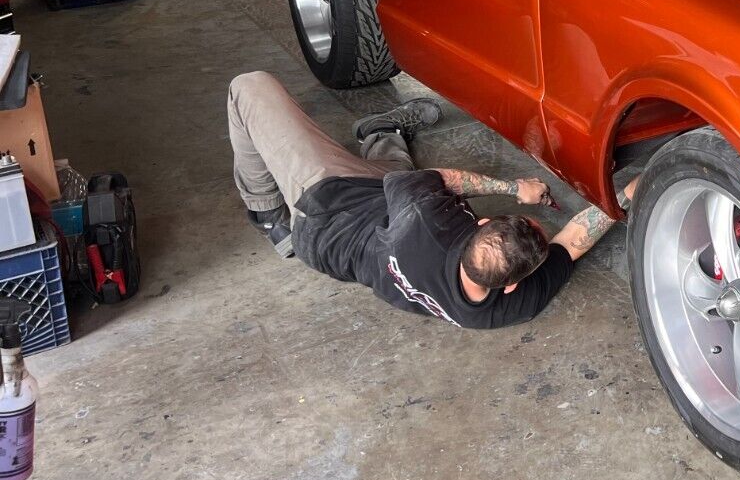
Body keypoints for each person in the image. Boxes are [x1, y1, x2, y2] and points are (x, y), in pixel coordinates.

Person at [226, 71, 621, 329]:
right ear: (514, 285)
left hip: (328, 210)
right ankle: (383, 131)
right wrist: (639, 192)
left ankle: (266, 214)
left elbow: (438, 182)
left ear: (480, 225)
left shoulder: (427, 220)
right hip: (381, 222)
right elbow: (572, 241)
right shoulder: (496, 311)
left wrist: (514, 189)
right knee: (397, 175)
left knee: (249, 87)